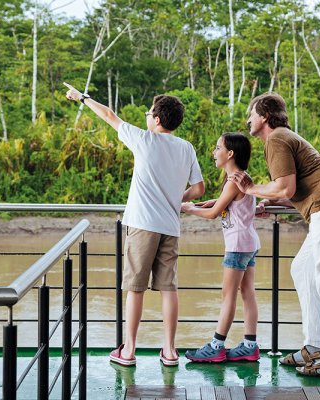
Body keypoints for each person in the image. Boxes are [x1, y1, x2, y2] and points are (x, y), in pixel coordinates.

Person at [64, 83, 205, 367]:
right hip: (170, 226)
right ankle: (169, 351)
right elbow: (199, 189)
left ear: (156, 119)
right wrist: (176, 199)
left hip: (142, 225)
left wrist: (82, 97)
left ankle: (128, 351)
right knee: (168, 288)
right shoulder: (185, 148)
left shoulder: (144, 139)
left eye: (149, 112)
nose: (146, 115)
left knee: (136, 288)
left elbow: (108, 115)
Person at [230, 92, 320, 378]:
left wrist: (251, 189)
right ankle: (313, 346)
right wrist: (271, 200)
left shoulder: (276, 138)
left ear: (264, 116)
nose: (247, 120)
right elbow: (292, 191)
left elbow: (285, 187)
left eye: (251, 114)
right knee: (302, 269)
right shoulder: (283, 137)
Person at [181, 133, 260, 363]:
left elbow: (214, 214)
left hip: (237, 246)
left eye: (218, 148)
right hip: (249, 243)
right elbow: (228, 203)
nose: (214, 153)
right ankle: (250, 345)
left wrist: (190, 209)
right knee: (247, 293)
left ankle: (217, 345)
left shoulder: (233, 181)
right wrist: (215, 201)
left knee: (228, 296)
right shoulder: (241, 177)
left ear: (230, 154)